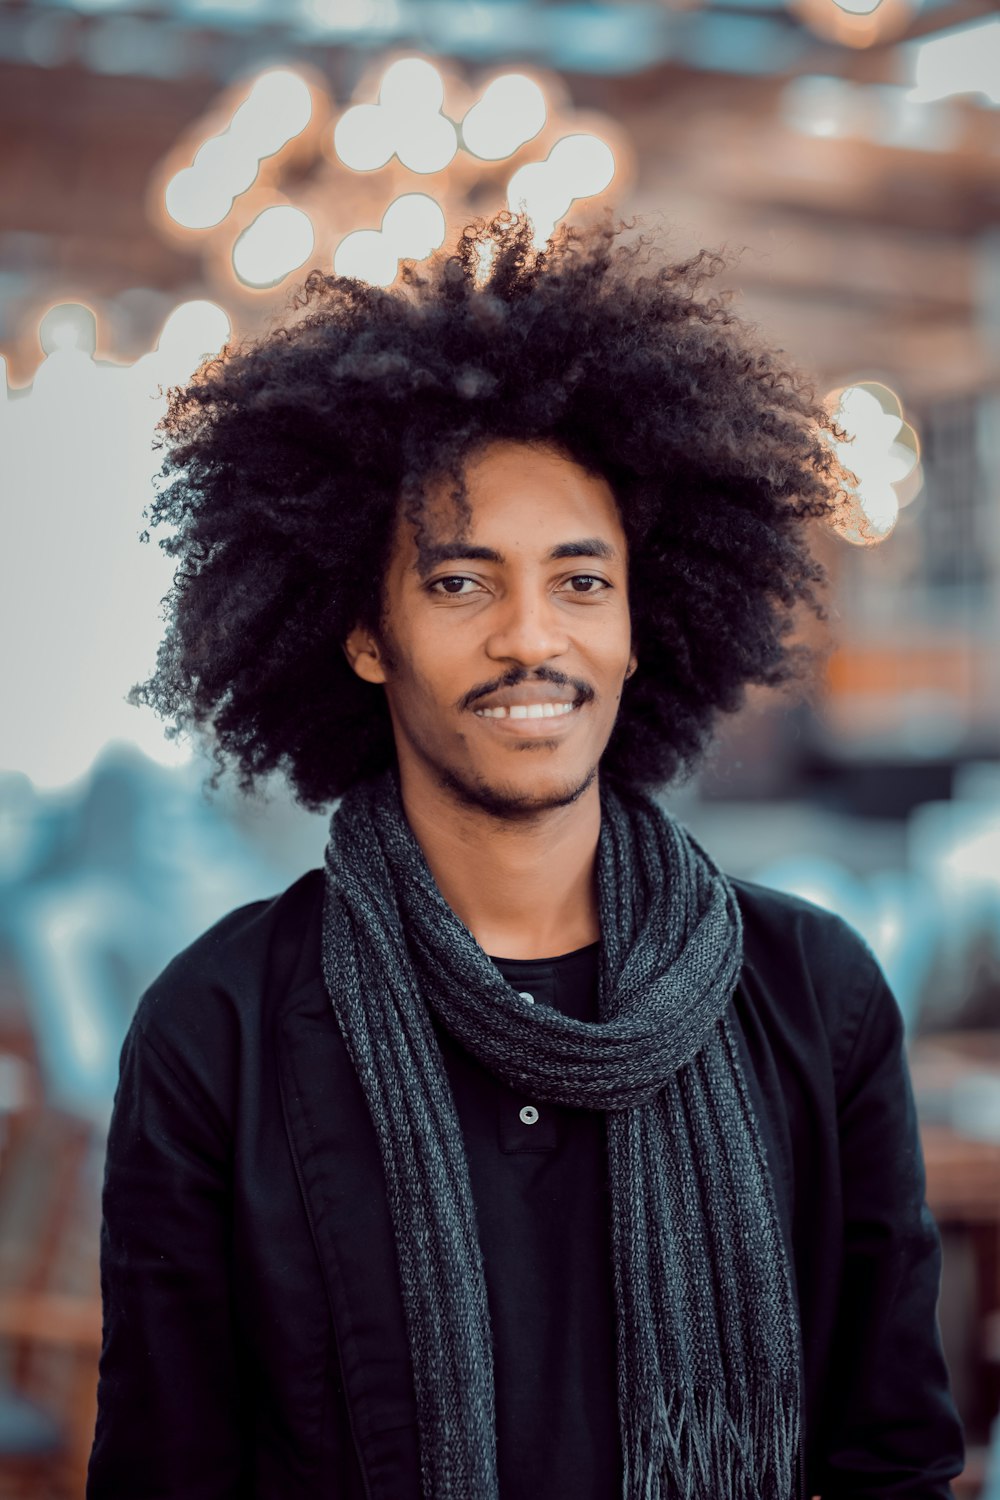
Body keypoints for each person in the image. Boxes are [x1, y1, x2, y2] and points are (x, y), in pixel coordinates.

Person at [88, 213, 963, 1499]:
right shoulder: (217, 1029)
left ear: (638, 628)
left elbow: (890, 1457)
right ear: (364, 634)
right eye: (458, 583)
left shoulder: (813, 995)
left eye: (579, 581)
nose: (528, 639)